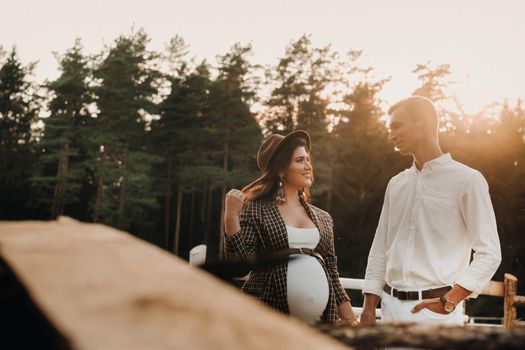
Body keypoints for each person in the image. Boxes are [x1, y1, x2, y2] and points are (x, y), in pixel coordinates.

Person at [360, 96, 502, 327]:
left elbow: (489, 253)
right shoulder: (396, 184)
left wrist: (449, 301)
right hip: (389, 311)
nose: (390, 135)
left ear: (423, 123)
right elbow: (379, 250)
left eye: (397, 126)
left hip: (437, 314)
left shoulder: (467, 180)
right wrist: (368, 309)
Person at [224, 130, 358, 326]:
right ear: (280, 170)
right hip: (266, 318)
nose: (308, 166)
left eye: (308, 159)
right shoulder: (255, 210)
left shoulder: (323, 217)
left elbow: (332, 274)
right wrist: (231, 218)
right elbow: (241, 266)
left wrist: (351, 320)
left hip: (318, 325)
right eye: (300, 161)